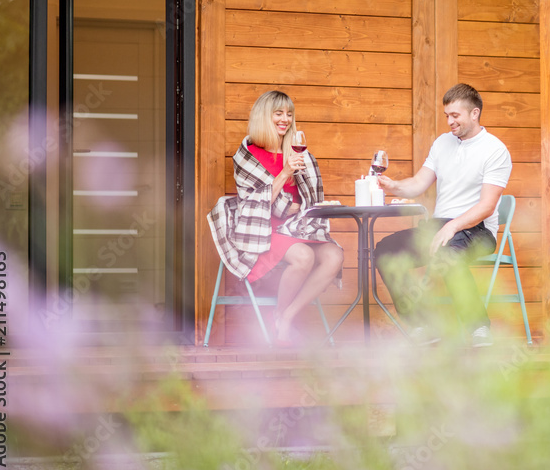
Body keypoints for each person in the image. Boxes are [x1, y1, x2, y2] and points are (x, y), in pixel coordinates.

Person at [375, 83, 512, 347]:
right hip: (440, 227)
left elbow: (486, 206)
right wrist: (394, 186)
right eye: (447, 115)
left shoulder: (495, 150)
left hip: (478, 229)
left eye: (455, 115)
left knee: (448, 254)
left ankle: (478, 328)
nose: (449, 121)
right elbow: (417, 184)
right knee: (385, 250)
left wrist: (452, 227)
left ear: (474, 114)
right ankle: (423, 325)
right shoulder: (442, 144)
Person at [208, 90, 343, 346]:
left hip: (296, 227)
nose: (285, 119)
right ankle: (281, 317)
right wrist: (285, 173)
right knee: (303, 256)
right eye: (278, 114)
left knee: (335, 256)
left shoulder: (298, 153)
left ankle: (284, 315)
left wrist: (301, 206)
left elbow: (308, 196)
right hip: (261, 229)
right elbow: (253, 204)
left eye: (289, 114)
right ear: (264, 117)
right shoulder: (247, 157)